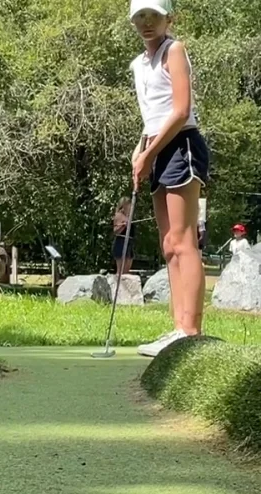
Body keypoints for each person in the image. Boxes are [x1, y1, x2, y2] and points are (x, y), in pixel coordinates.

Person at [129, 0, 210, 357]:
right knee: (167, 245)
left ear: (168, 19)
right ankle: (177, 328)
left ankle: (190, 332)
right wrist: (141, 148)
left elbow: (180, 111)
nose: (147, 23)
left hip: (181, 145)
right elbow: (154, 115)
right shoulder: (138, 63)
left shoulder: (173, 50)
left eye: (154, 16)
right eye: (140, 17)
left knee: (183, 239)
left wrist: (149, 153)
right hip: (157, 147)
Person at [112, 196, 136, 275]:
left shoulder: (129, 216)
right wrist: (123, 226)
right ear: (124, 205)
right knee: (120, 271)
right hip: (121, 242)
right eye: (129, 204)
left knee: (126, 271)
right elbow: (115, 231)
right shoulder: (118, 215)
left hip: (129, 242)